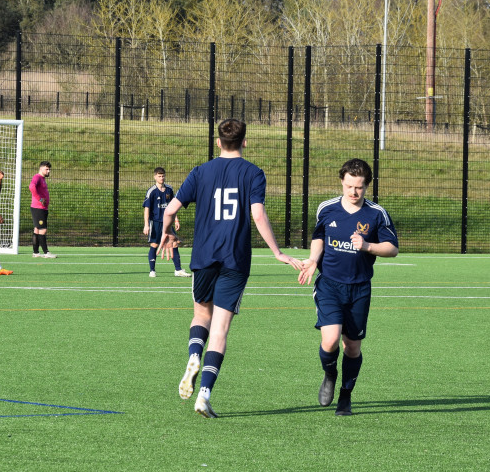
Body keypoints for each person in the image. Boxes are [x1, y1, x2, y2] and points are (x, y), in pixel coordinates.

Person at [158, 118, 302, 418]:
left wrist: (167, 233)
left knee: (201, 315)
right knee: (220, 329)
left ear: (218, 141)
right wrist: (277, 252)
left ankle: (194, 355)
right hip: (235, 260)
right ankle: (205, 395)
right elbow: (258, 215)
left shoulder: (201, 171)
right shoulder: (253, 173)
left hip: (204, 256)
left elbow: (170, 210)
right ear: (245, 142)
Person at [297, 159, 398, 416]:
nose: (354, 192)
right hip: (330, 284)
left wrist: (367, 246)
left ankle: (346, 394)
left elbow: (392, 249)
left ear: (367, 186)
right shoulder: (327, 209)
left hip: (360, 288)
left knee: (352, 347)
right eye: (349, 186)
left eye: (360, 187)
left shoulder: (377, 214)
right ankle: (330, 374)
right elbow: (319, 236)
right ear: (341, 181)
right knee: (330, 341)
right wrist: (312, 259)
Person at [142, 167, 190, 277]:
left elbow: (174, 206)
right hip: (156, 222)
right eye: (159, 176)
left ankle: (178, 270)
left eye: (163, 176)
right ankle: (152, 270)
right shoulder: (151, 191)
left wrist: (176, 219)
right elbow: (147, 209)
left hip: (168, 223)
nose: (161, 178)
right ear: (155, 177)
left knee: (174, 243)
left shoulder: (169, 189)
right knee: (154, 244)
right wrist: (146, 225)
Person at [29, 161, 56, 259]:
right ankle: (46, 252)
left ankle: (36, 252)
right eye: (46, 169)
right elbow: (31, 187)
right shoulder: (37, 177)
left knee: (37, 229)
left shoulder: (42, 179)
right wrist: (40, 199)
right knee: (42, 229)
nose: (48, 171)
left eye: (49, 169)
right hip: (38, 208)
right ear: (41, 169)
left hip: (41, 208)